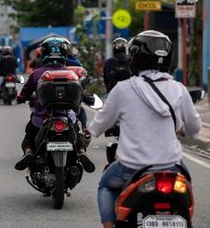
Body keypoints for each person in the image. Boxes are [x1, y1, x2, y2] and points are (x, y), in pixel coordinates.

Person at [86, 30, 202, 228]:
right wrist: (181, 126)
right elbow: (195, 129)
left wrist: (89, 130)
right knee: (187, 185)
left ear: (135, 57)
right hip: (170, 165)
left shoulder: (123, 89)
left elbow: (97, 127)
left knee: (105, 185)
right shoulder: (179, 89)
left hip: (131, 167)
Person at [14, 37, 95, 173]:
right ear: (64, 53)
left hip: (42, 117)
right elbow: (80, 93)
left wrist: (21, 98)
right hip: (67, 117)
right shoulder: (71, 74)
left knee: (29, 135)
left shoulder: (36, 73)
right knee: (77, 131)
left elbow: (24, 94)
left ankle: (28, 153)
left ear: (45, 53)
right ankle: (81, 152)